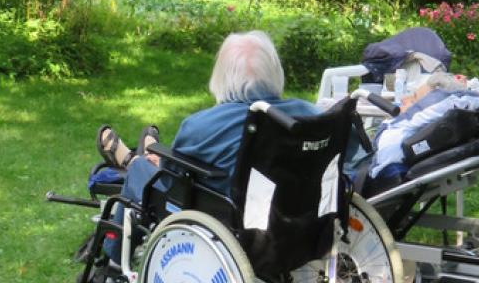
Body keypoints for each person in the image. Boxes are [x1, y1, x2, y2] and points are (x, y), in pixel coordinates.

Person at [97, 30, 320, 262]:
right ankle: (143, 152)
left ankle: (113, 258)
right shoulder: (311, 117)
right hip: (295, 228)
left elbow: (170, 181)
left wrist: (160, 162)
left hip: (229, 227)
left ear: (222, 77)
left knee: (139, 170)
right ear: (274, 71)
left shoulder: (201, 126)